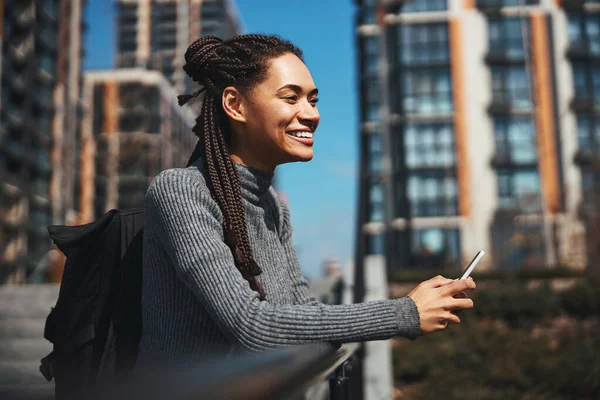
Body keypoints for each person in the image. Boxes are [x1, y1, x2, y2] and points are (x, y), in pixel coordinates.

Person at [136, 34, 475, 367]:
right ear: (234, 105)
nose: (311, 114)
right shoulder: (181, 191)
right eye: (291, 98)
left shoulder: (273, 206)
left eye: (312, 100)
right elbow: (251, 326)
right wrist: (404, 313)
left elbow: (308, 316)